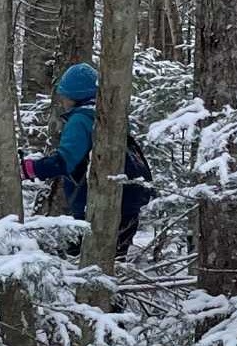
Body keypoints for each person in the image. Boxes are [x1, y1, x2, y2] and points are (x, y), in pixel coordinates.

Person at [21, 62, 153, 241]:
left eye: (65, 95)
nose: (62, 100)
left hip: (95, 207)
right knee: (116, 254)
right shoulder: (110, 115)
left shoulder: (80, 120)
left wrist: (30, 169)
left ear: (75, 96)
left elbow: (64, 162)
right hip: (127, 203)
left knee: (85, 255)